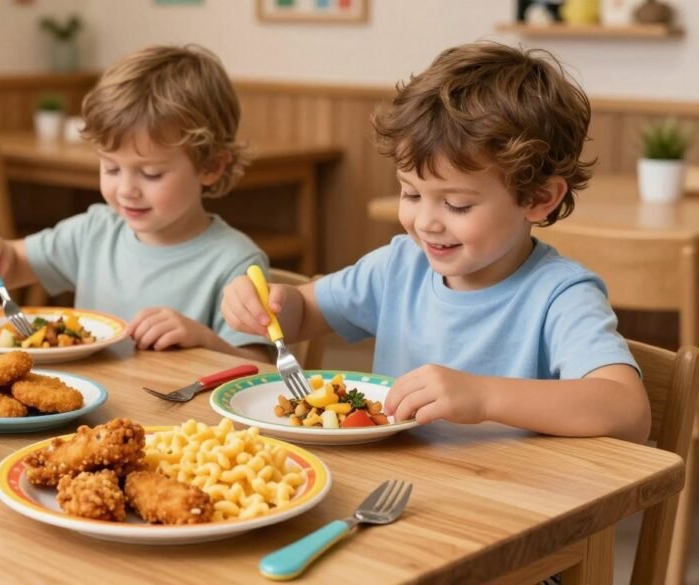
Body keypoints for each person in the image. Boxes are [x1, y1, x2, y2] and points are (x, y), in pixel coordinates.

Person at [220, 41, 649, 443]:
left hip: (507, 507)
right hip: (399, 496)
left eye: (458, 205)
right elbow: (303, 313)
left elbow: (628, 410)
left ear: (537, 199)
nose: (425, 222)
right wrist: (268, 305)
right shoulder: (400, 266)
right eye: (410, 194)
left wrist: (484, 397)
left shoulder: (560, 295)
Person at [0, 45, 270, 361]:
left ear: (211, 167)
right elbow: (12, 264)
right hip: (90, 405)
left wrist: (204, 340)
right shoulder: (94, 231)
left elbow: (262, 369)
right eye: (112, 168)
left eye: (151, 173)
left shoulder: (235, 262)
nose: (126, 190)